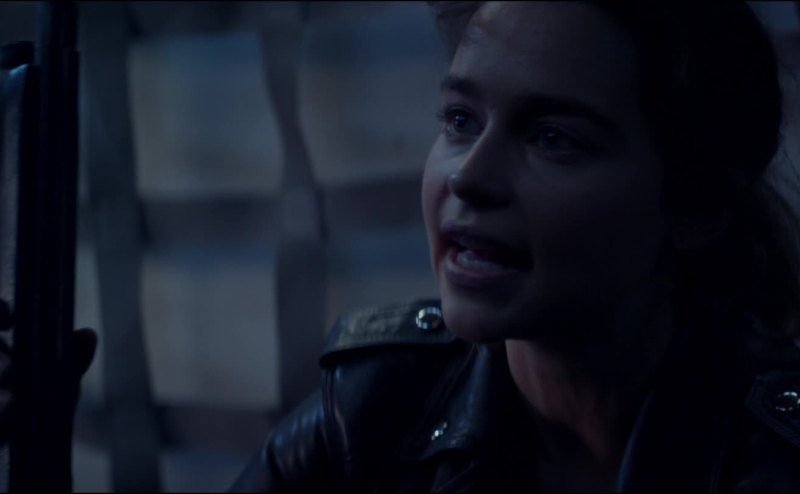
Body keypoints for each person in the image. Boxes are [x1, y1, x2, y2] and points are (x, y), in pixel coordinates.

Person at [227, 1, 800, 491]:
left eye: (552, 137)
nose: (468, 177)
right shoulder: (372, 413)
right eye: (460, 120)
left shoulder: (775, 458)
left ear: (699, 205)